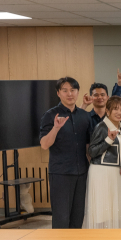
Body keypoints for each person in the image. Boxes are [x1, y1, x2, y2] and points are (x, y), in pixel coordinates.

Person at [39, 77, 93, 229]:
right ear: (58, 93)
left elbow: (88, 145)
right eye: (65, 90)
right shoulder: (50, 115)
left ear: (77, 92)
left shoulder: (84, 115)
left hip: (82, 173)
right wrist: (56, 128)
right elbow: (44, 145)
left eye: (73, 90)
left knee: (78, 216)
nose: (69, 94)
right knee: (61, 218)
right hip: (61, 174)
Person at [84, 96, 121, 229]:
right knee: (101, 211)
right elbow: (92, 152)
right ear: (108, 111)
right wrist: (108, 140)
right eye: (115, 109)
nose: (119, 112)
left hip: (118, 175)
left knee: (117, 212)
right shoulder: (101, 127)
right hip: (102, 173)